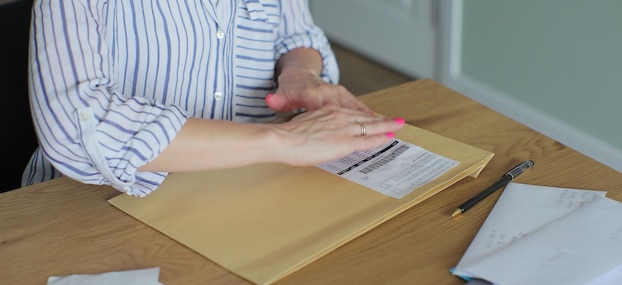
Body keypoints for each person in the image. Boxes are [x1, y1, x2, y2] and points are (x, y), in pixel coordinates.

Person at [23, 0, 404, 197]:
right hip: (93, 203)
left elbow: (295, 31)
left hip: (245, 187)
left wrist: (301, 72)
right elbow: (75, 127)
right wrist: (284, 140)